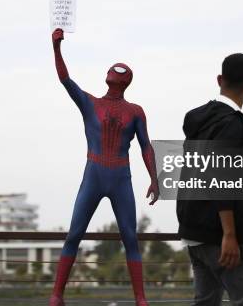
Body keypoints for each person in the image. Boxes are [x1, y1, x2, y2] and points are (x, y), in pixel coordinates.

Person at [49, 28, 159, 306]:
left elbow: (147, 146)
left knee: (129, 238)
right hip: (100, 173)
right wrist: (57, 48)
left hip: (116, 175)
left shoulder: (134, 111)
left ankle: (140, 298)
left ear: (125, 80)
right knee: (76, 234)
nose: (117, 73)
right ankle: (56, 294)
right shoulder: (92, 104)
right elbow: (65, 79)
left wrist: (154, 179)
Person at [176, 53, 243, 306]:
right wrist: (231, 233)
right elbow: (220, 177)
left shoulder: (199, 120)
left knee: (206, 302)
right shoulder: (233, 124)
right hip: (220, 235)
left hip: (193, 231)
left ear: (220, 79)